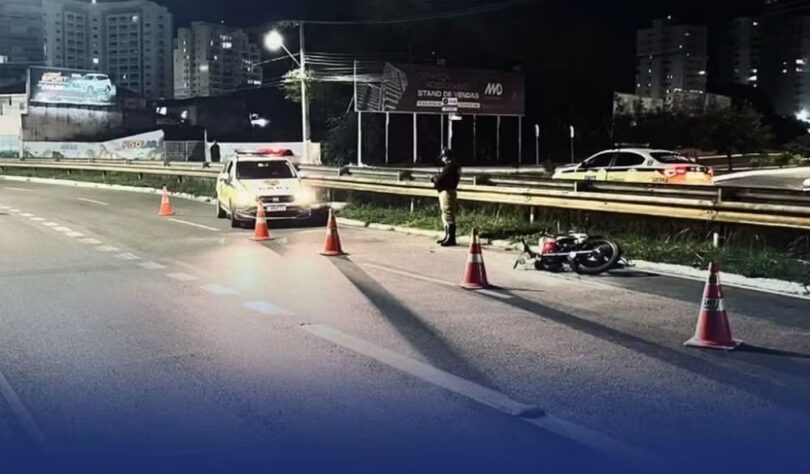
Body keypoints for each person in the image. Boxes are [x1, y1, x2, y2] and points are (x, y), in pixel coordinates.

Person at [431, 148, 461, 247]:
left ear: (446, 157)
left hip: (447, 191)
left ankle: (451, 238)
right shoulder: (454, 166)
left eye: (443, 157)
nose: (442, 159)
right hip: (450, 191)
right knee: (446, 214)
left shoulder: (450, 166)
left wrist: (435, 179)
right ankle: (447, 236)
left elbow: (442, 179)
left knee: (448, 214)